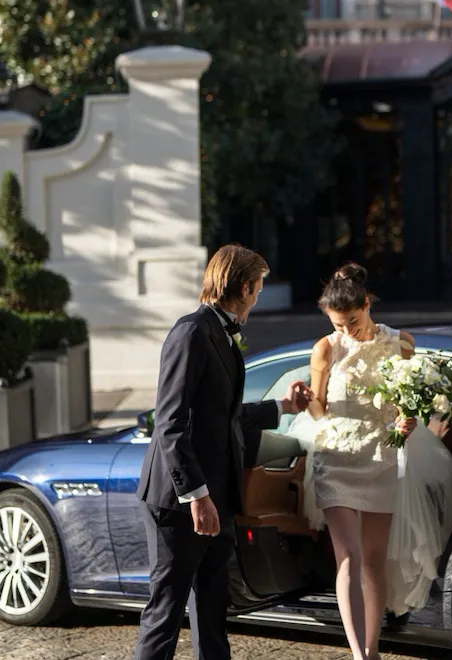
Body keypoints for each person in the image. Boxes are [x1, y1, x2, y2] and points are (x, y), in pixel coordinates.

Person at [133, 244, 312, 660]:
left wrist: (282, 407)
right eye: (259, 289)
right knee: (165, 614)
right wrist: (196, 496)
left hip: (217, 498)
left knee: (213, 612)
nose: (258, 297)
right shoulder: (191, 331)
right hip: (179, 505)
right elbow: (170, 422)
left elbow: (220, 414)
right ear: (246, 288)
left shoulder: (221, 332)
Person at [293, 263, 452, 660]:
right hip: (336, 455)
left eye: (352, 322)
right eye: (338, 325)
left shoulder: (402, 344)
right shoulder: (326, 347)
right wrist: (307, 399)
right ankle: (359, 653)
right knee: (350, 556)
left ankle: (372, 649)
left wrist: (410, 419)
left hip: (384, 456)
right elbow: (319, 411)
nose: (346, 332)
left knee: (374, 560)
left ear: (367, 303)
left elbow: (413, 405)